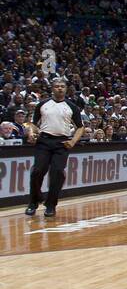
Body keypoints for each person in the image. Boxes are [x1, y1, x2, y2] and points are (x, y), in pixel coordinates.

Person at [25, 78, 84, 218]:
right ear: (52, 88)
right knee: (37, 171)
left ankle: (51, 205)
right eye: (56, 86)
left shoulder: (72, 107)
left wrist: (73, 141)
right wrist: (32, 133)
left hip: (62, 143)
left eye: (62, 86)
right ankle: (34, 201)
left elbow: (80, 127)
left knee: (57, 173)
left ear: (66, 88)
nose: (59, 88)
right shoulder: (43, 104)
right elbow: (33, 124)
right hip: (44, 141)